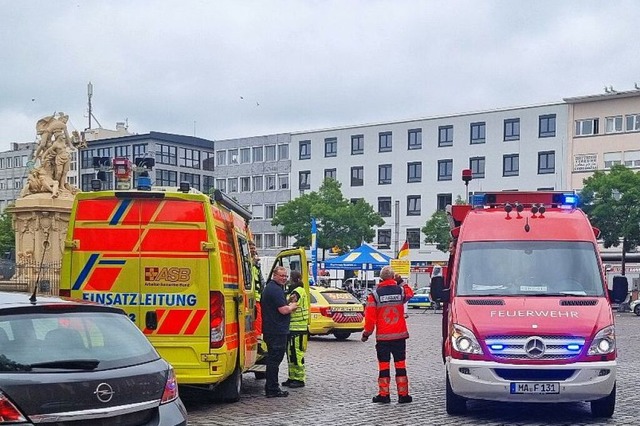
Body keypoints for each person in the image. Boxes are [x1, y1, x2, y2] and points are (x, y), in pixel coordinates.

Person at [361, 265, 414, 404]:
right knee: (400, 365)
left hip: (383, 338)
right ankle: (403, 395)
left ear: (381, 278)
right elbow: (410, 293)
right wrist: (401, 281)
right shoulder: (401, 291)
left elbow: (370, 318)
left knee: (384, 367)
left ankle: (384, 395)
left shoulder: (374, 295)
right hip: (399, 337)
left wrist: (366, 334)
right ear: (393, 277)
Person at [261, 266, 298, 398]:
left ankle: (271, 387)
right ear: (274, 276)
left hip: (272, 329)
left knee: (273, 359)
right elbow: (283, 310)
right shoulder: (275, 290)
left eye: (285, 276)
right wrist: (292, 306)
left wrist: (287, 302)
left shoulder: (272, 288)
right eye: (281, 276)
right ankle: (272, 389)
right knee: (274, 360)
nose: (284, 278)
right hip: (276, 330)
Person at [282, 270, 309, 388]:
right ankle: (292, 377)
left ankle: (299, 379)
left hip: (298, 328)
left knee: (296, 354)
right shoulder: (298, 290)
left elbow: (290, 304)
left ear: (293, 279)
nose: (287, 279)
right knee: (290, 354)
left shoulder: (297, 292)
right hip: (294, 328)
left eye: (289, 277)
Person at [249, 241, 264, 337]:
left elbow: (260, 280)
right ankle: (257, 343)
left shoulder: (256, 264)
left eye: (254, 248)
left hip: (257, 297)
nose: (253, 250)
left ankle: (258, 342)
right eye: (251, 248)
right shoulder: (246, 261)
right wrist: (252, 263)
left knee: (258, 321)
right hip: (250, 297)